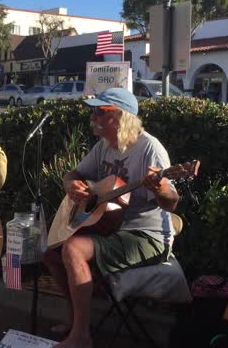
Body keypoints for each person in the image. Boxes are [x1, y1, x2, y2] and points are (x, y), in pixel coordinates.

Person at [42, 88, 180, 348]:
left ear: (119, 117)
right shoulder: (104, 146)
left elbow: (171, 202)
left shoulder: (149, 148)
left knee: (72, 249)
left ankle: (81, 337)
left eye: (99, 111)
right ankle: (75, 320)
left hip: (146, 236)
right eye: (93, 111)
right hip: (112, 227)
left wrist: (160, 188)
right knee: (51, 253)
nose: (92, 116)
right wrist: (70, 185)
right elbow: (73, 173)